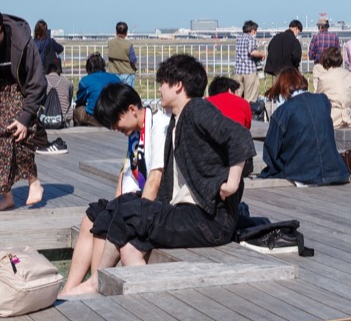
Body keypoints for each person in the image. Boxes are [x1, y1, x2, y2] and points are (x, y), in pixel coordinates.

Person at [64, 54, 254, 296]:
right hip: (188, 212)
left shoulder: (196, 109)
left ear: (178, 85)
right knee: (127, 241)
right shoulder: (177, 120)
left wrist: (233, 182)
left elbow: (239, 136)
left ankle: (95, 282)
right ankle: (148, 300)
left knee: (129, 212)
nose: (160, 89)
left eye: (163, 82)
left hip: (210, 220)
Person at [62, 83, 171, 295]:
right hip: (134, 198)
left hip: (152, 204)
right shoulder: (134, 133)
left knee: (106, 221)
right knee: (92, 216)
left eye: (116, 122)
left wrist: (134, 215)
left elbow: (155, 180)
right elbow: (126, 173)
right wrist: (116, 204)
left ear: (131, 109)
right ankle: (70, 287)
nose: (115, 128)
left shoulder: (159, 124)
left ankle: (98, 284)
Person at [0, 3, 57, 211]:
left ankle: (33, 181)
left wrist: (26, 116)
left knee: (18, 131)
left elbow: (37, 80)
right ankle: (5, 195)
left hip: (20, 88)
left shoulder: (21, 39)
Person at [261, 69, 351, 185]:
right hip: (334, 169)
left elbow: (271, 152)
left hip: (302, 173)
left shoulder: (283, 111)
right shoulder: (323, 100)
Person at [310, 45, 351, 129]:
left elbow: (318, 101)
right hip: (349, 117)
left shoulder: (323, 78)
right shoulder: (349, 75)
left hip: (332, 119)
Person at [73, 53, 123, 127]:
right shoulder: (116, 78)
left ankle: (79, 130)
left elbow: (79, 100)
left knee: (77, 110)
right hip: (113, 115)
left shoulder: (86, 80)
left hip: (96, 117)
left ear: (88, 68)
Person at [233, 20, 265, 110]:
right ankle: (247, 114)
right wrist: (262, 54)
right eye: (255, 31)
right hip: (249, 70)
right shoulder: (250, 38)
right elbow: (253, 52)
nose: (255, 33)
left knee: (237, 95)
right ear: (252, 30)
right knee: (249, 97)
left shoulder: (239, 38)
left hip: (238, 70)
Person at [264, 21, 304, 91]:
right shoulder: (294, 41)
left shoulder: (276, 37)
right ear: (296, 28)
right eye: (298, 32)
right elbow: (296, 57)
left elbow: (269, 49)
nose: (297, 34)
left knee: (278, 88)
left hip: (276, 70)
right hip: (289, 69)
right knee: (288, 89)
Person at [105, 21, 138, 86]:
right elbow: (133, 60)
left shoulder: (110, 43)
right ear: (126, 33)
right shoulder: (128, 44)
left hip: (113, 74)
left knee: (114, 94)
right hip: (127, 74)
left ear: (116, 32)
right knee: (128, 95)